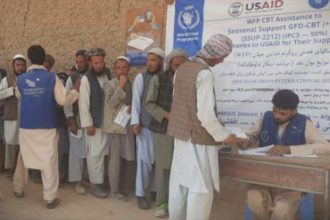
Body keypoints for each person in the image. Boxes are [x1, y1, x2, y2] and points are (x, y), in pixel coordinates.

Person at [166, 34, 237, 220]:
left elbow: (179, 102)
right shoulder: (204, 73)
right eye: (223, 56)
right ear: (214, 54)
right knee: (200, 190)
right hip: (197, 140)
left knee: (179, 185)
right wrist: (225, 136)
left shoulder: (182, 68)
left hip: (180, 135)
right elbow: (206, 116)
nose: (222, 60)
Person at [237, 89, 330, 220]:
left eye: (283, 113)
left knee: (282, 208)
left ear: (294, 111)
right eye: (275, 110)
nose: (277, 116)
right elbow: (249, 135)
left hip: (292, 182)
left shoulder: (304, 123)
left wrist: (290, 149)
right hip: (264, 178)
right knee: (253, 198)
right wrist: (245, 140)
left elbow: (326, 147)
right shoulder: (266, 117)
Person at [13, 44, 80, 209]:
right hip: (46, 125)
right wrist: (76, 91)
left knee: (23, 157)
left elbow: (20, 97)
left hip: (27, 126)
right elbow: (63, 100)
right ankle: (50, 198)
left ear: (29, 59)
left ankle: (18, 188)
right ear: (43, 59)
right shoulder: (51, 77)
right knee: (49, 161)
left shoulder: (20, 79)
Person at [145, 48, 188, 217]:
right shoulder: (158, 79)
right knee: (164, 168)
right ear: (170, 64)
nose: (179, 69)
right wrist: (167, 115)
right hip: (163, 130)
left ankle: (178, 204)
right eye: (176, 65)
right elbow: (149, 104)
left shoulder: (190, 80)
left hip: (184, 131)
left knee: (181, 168)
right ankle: (162, 204)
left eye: (183, 66)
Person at [131, 47, 165, 209]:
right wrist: (135, 122)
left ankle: (154, 191)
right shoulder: (141, 77)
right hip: (144, 126)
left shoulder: (167, 78)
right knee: (144, 161)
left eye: (153, 60)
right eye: (148, 60)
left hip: (162, 128)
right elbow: (136, 101)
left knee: (158, 161)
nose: (149, 63)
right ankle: (140, 194)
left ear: (161, 61)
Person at [79, 48, 111, 198]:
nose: (99, 65)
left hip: (106, 122)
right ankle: (94, 185)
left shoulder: (107, 74)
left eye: (101, 62)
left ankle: (100, 181)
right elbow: (83, 103)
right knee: (95, 154)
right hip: (94, 124)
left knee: (104, 153)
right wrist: (88, 124)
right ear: (90, 63)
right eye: (96, 63)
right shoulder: (86, 78)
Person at [103, 56, 135, 200]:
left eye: (124, 67)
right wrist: (120, 86)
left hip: (128, 126)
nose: (122, 70)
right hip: (115, 127)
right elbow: (111, 104)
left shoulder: (132, 84)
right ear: (114, 69)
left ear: (128, 69)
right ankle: (114, 191)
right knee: (115, 160)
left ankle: (125, 187)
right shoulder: (110, 84)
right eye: (118, 68)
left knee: (129, 158)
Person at [64, 49, 89, 194]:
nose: (79, 64)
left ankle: (86, 179)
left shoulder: (92, 76)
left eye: (82, 61)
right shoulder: (72, 78)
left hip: (90, 120)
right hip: (76, 119)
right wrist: (71, 119)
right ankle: (77, 181)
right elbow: (67, 101)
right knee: (76, 152)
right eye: (78, 62)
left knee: (88, 152)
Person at [0, 54, 26, 180]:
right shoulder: (7, 79)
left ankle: (22, 170)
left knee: (23, 144)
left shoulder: (28, 78)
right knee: (10, 143)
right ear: (13, 66)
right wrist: (12, 89)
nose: (20, 68)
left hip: (26, 116)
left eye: (22, 65)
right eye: (18, 65)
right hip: (11, 116)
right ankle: (10, 168)